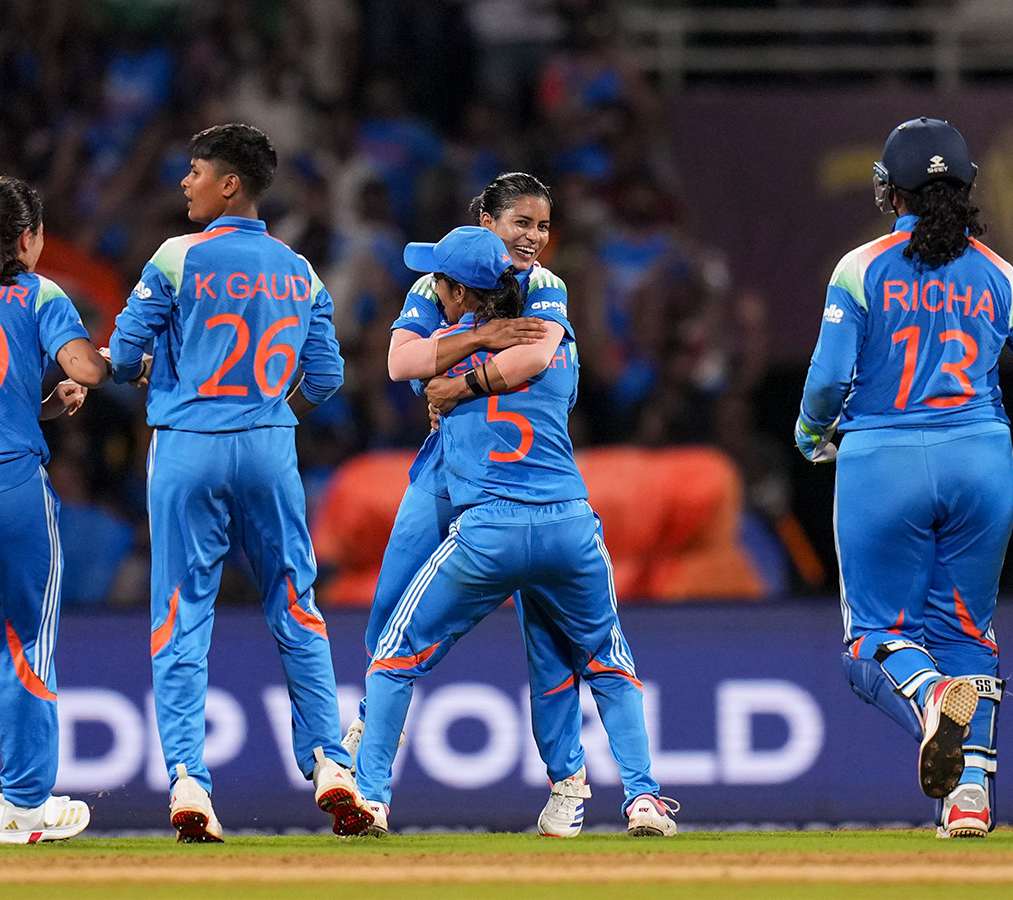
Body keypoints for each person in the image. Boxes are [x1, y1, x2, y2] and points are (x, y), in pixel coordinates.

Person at [795, 117, 1013, 839]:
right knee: (969, 630)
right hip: (982, 464)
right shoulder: (1004, 276)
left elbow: (827, 381)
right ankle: (969, 800)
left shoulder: (859, 268)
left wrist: (811, 433)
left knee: (874, 638)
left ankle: (931, 698)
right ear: (967, 189)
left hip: (884, 462)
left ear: (887, 191)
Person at [344, 173, 662, 837]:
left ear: (458, 290)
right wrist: (483, 342)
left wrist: (456, 385)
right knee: (590, 651)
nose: (534, 237)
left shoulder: (540, 286)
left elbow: (435, 368)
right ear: (486, 221)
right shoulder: (483, 292)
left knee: (414, 645)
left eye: (542, 226)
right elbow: (418, 363)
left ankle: (379, 782)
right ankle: (638, 795)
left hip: (482, 500)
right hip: (548, 506)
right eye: (521, 223)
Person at [107, 123, 372, 841]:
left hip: (188, 444)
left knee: (182, 612)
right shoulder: (300, 270)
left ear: (229, 184)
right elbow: (328, 377)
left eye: (194, 172)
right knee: (296, 605)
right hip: (268, 447)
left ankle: (190, 780)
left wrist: (147, 367)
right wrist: (269, 414)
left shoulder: (176, 257)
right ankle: (331, 762)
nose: (185, 183)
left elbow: (125, 351)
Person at [0, 175, 110, 843]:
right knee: (25, 646)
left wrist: (33, 407)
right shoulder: (40, 293)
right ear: (29, 238)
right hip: (10, 498)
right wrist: (93, 370)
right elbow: (87, 370)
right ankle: (24, 808)